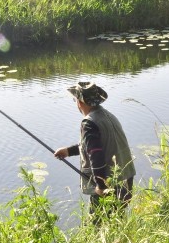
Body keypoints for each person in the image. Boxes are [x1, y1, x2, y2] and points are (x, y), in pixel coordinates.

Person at [53, 81, 136, 220]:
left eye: (75, 99)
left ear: (79, 102)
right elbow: (95, 146)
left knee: (96, 226)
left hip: (109, 183)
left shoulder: (89, 123)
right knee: (117, 221)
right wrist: (68, 151)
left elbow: (96, 154)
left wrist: (101, 186)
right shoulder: (107, 115)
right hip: (126, 178)